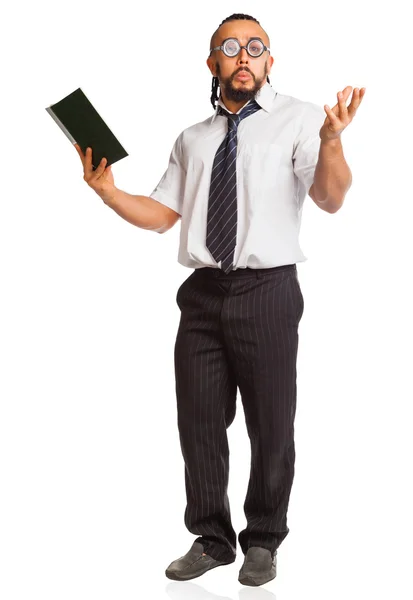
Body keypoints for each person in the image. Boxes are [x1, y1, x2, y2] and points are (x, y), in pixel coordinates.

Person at [75, 12, 365, 588]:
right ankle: (211, 539)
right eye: (230, 47)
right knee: (200, 423)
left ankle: (263, 540)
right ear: (213, 64)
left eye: (255, 47)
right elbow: (162, 215)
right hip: (203, 297)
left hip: (269, 291)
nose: (243, 56)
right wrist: (109, 194)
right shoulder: (193, 138)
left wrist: (332, 141)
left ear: (269, 62)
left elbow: (331, 198)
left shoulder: (304, 120)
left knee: (271, 424)